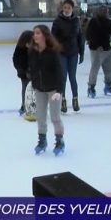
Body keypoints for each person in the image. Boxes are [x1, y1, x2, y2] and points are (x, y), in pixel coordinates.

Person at [27, 25, 65, 156]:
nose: (35, 35)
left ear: (44, 35)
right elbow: (31, 68)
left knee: (55, 117)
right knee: (40, 117)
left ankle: (59, 141)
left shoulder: (52, 52)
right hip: (39, 89)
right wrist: (32, 79)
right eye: (34, 33)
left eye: (38, 33)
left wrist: (59, 91)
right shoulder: (32, 51)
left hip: (53, 89)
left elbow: (59, 72)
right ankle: (42, 140)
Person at [51, 0, 85, 112]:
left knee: (72, 77)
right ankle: (63, 101)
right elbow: (52, 38)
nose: (66, 10)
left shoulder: (76, 21)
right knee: (63, 78)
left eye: (68, 8)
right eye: (64, 7)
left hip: (73, 53)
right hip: (61, 53)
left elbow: (80, 37)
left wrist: (82, 52)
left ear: (72, 9)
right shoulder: (57, 21)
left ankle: (75, 99)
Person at [85, 6, 111, 98]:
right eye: (102, 11)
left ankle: (108, 86)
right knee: (95, 69)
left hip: (107, 49)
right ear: (98, 12)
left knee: (110, 69)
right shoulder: (93, 22)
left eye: (105, 11)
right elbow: (89, 34)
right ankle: (91, 87)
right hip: (97, 50)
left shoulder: (109, 22)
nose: (104, 12)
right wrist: (97, 45)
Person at [12, 30, 33, 116]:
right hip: (24, 72)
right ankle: (24, 106)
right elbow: (15, 60)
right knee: (25, 88)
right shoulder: (19, 48)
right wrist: (21, 70)